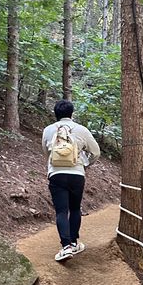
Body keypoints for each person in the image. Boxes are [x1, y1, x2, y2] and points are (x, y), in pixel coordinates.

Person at [42, 100, 100, 262]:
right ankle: (74, 242)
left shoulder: (48, 130)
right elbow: (95, 152)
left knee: (61, 211)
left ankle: (65, 247)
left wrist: (54, 166)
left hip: (56, 174)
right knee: (75, 209)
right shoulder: (82, 130)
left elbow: (46, 152)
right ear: (72, 114)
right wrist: (85, 164)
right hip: (77, 174)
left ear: (56, 114)